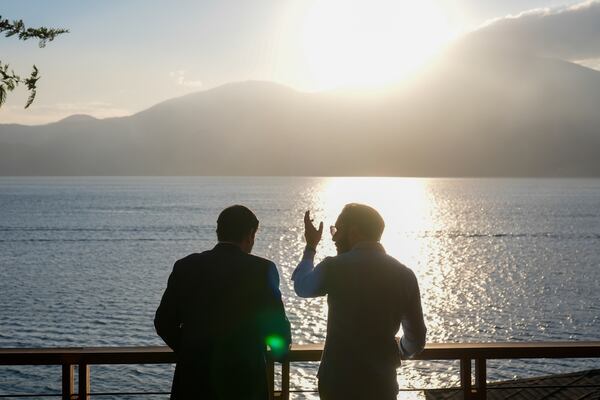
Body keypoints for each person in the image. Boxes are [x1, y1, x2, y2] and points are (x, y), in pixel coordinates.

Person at [155, 205, 291, 400]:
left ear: (219, 231)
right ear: (251, 234)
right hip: (245, 384)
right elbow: (277, 330)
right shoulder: (262, 270)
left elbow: (163, 322)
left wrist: (192, 351)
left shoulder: (186, 266)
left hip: (193, 383)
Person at [292, 203, 426, 400]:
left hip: (338, 383)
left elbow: (302, 287)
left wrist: (311, 246)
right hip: (381, 384)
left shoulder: (334, 268)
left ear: (354, 231)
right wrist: (401, 349)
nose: (333, 236)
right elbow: (417, 338)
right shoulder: (404, 274)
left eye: (337, 230)